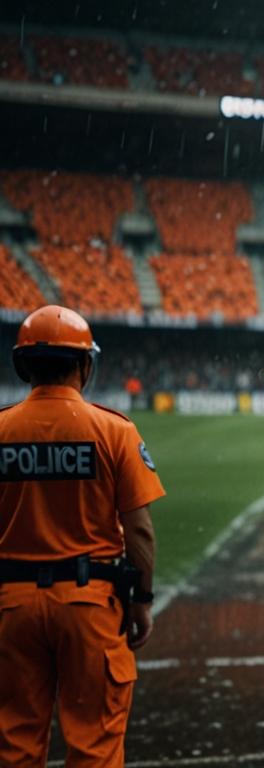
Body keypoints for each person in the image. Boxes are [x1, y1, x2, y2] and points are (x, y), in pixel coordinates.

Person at [0, 305, 163, 767]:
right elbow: (139, 532)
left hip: (11, 606)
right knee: (95, 743)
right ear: (85, 364)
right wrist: (142, 599)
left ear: (23, 364)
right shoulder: (114, 430)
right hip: (90, 605)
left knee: (13, 742)